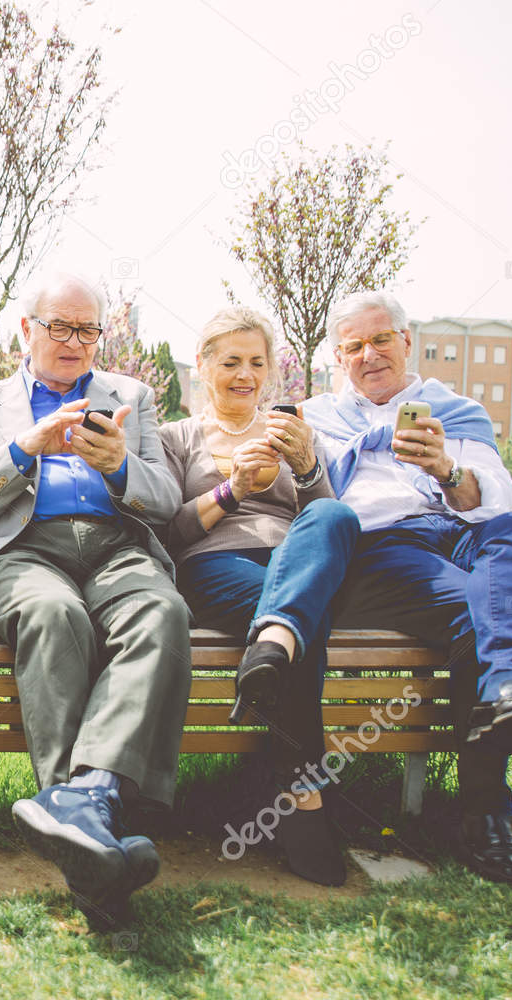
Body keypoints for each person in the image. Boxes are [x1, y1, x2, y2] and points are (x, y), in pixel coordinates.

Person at [0, 269, 188, 928]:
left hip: (116, 545)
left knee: (162, 611)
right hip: (24, 548)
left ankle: (88, 803)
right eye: (61, 327)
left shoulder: (131, 395)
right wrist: (25, 448)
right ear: (27, 330)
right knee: (55, 616)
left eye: (87, 330)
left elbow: (165, 501)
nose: (75, 342)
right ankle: (88, 835)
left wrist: (118, 467)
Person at [302, 290, 512, 885]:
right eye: (354, 346)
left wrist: (444, 467)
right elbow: (307, 506)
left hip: (458, 529)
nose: (369, 355)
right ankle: (486, 814)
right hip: (380, 548)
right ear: (340, 358)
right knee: (479, 618)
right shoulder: (316, 419)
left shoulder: (456, 410)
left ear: (407, 341)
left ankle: (505, 688)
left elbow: (494, 498)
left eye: (381, 339)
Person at [159, 307, 360, 886]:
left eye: (256, 362)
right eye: (230, 362)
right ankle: (303, 799)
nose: (244, 374)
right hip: (216, 566)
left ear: (270, 369)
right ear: (203, 367)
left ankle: (273, 639)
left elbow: (326, 518)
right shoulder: (178, 438)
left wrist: (306, 465)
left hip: (295, 564)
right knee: (305, 625)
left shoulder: (293, 431)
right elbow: (170, 532)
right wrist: (233, 489)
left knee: (332, 513)